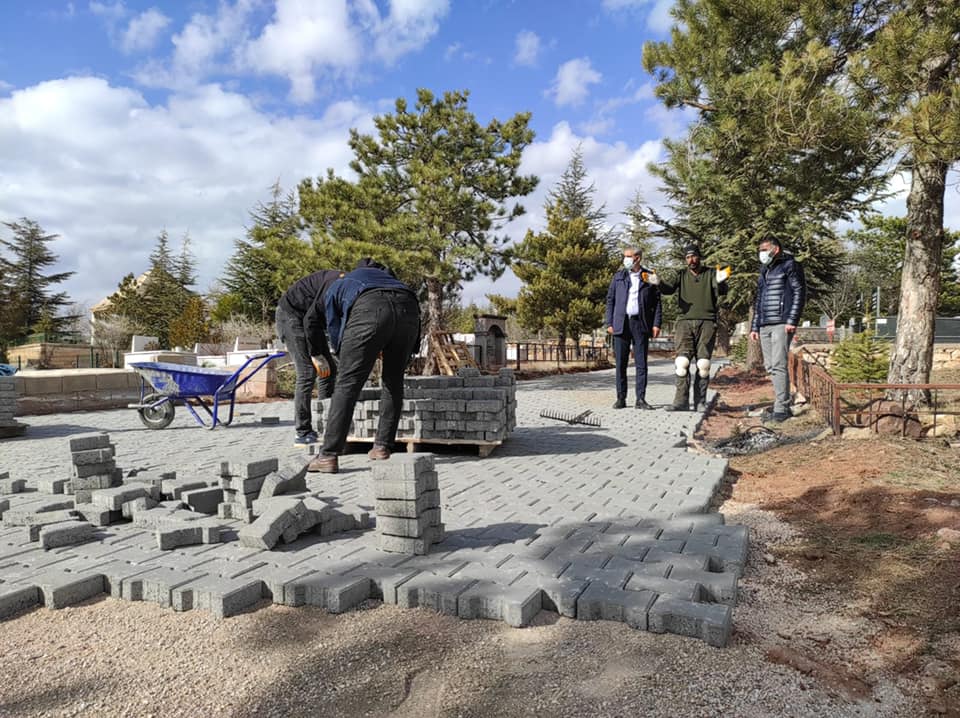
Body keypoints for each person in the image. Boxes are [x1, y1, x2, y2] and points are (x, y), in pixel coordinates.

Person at [308, 259, 421, 474]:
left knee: (347, 384)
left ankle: (328, 455)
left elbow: (332, 324)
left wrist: (342, 353)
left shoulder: (344, 282)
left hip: (369, 308)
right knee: (393, 382)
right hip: (408, 309)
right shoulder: (395, 282)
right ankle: (382, 447)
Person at [650, 243, 729, 412]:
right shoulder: (681, 275)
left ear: (699, 257)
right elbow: (668, 290)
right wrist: (658, 283)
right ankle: (681, 402)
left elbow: (721, 291)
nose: (691, 260)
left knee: (703, 364)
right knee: (681, 363)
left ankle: (700, 402)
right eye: (687, 257)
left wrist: (722, 281)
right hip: (684, 322)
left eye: (693, 256)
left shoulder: (711, 273)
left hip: (707, 322)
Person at [275, 268, 345, 446]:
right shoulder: (335, 285)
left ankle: (325, 422)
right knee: (307, 372)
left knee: (328, 369)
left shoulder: (347, 289)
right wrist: (315, 354)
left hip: (310, 320)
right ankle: (302, 431)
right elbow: (309, 321)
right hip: (290, 317)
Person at [749, 236, 806, 423]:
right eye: (760, 250)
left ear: (776, 249)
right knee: (770, 366)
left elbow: (799, 292)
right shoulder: (764, 270)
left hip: (782, 322)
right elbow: (760, 299)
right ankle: (780, 401)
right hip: (765, 323)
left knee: (779, 364)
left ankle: (782, 408)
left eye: (764, 249)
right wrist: (755, 326)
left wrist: (792, 319)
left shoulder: (790, 265)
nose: (761, 253)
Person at [605, 247, 662, 409]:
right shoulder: (618, 276)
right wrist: (609, 322)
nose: (626, 259)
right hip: (621, 324)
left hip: (640, 324)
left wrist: (656, 323)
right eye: (624, 256)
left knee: (641, 364)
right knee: (621, 364)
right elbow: (610, 300)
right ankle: (621, 398)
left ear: (637, 258)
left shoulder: (649, 276)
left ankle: (640, 399)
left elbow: (657, 302)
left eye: (628, 256)